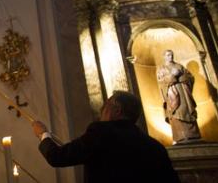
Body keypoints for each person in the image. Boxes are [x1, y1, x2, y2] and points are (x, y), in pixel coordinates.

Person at [32, 91, 180, 183]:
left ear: (117, 110)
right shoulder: (155, 146)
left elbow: (58, 157)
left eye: (106, 104)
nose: (102, 109)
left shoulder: (101, 133)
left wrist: (43, 134)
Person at [156, 49, 201, 143]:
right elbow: (161, 83)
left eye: (171, 54)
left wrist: (180, 77)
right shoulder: (161, 69)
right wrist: (172, 75)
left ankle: (193, 135)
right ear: (164, 57)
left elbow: (190, 78)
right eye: (168, 55)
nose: (170, 56)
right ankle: (181, 136)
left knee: (188, 110)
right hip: (172, 95)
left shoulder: (179, 66)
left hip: (184, 93)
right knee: (176, 112)